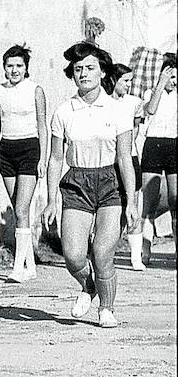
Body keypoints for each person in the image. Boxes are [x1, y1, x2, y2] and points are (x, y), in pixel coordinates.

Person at [45, 42, 137, 328]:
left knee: (102, 252)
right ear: (72, 74)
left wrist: (131, 202)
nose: (83, 74)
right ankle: (88, 285)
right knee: (72, 255)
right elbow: (55, 158)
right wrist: (50, 200)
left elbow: (124, 158)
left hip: (111, 183)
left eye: (89, 68)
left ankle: (107, 309)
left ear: (102, 71)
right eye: (78, 69)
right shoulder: (64, 111)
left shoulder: (117, 109)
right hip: (77, 183)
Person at [0, 45, 48, 282]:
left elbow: (42, 125)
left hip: (29, 150)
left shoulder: (35, 90)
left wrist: (43, 158)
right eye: (10, 66)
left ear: (26, 68)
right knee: (18, 208)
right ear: (4, 67)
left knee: (22, 209)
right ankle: (30, 264)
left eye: (19, 66)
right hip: (6, 151)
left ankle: (18, 267)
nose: (14, 70)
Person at [138, 55, 176, 268]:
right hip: (153, 144)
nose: (174, 81)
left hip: (174, 144)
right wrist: (161, 84)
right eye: (171, 77)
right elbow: (150, 110)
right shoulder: (151, 93)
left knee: (175, 200)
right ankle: (145, 250)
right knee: (149, 202)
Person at [109, 65, 147, 269]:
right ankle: (107, 251)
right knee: (113, 208)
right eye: (125, 81)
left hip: (130, 159)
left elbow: (136, 128)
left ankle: (135, 257)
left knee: (133, 205)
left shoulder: (133, 103)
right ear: (114, 80)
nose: (129, 85)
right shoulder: (104, 103)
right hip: (110, 162)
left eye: (131, 81)